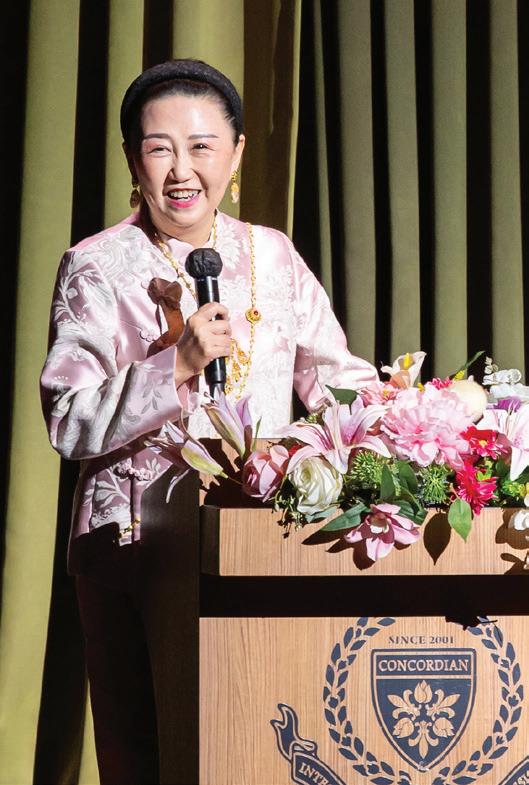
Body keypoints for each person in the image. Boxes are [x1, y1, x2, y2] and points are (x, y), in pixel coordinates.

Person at [40, 59, 378, 784]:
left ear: (237, 152)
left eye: (201, 146)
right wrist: (177, 365)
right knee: (147, 755)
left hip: (260, 542)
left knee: (255, 745)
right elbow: (68, 419)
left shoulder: (273, 255)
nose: (182, 170)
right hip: (131, 548)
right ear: (132, 159)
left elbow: (337, 379)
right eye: (159, 148)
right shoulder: (95, 266)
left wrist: (402, 430)